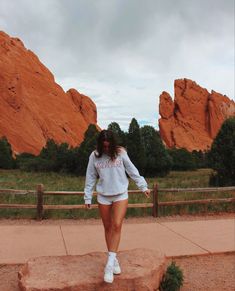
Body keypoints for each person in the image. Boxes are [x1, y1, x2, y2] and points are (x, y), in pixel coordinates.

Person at [84, 129, 151, 284]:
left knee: (117, 225)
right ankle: (113, 259)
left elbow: (132, 170)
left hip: (121, 193)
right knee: (108, 228)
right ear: (100, 145)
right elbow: (90, 176)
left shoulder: (121, 153)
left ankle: (109, 265)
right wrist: (87, 196)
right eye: (104, 146)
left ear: (113, 144)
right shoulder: (94, 156)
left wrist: (143, 186)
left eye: (108, 146)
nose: (106, 149)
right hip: (103, 196)